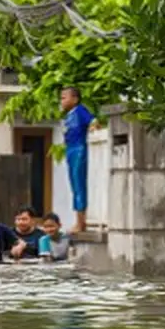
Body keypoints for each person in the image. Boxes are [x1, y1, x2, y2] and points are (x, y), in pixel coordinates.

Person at [61, 87, 95, 232]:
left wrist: (93, 128)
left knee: (79, 183)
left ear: (74, 99)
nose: (61, 101)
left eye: (64, 97)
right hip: (70, 149)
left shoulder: (80, 110)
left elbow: (93, 120)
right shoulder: (69, 115)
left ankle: (81, 222)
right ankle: (78, 220)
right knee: (74, 184)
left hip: (79, 148)